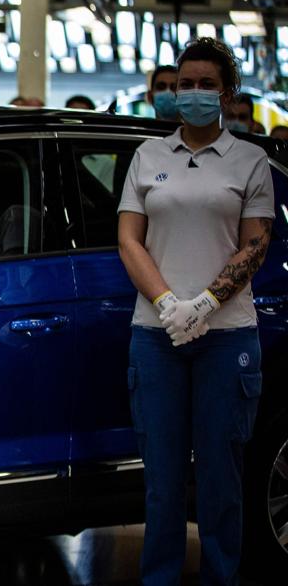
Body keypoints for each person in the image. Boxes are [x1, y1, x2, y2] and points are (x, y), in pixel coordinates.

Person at [117, 37, 272, 586]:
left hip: (227, 336)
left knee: (221, 480)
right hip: (156, 336)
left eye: (208, 84)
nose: (195, 93)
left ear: (228, 95)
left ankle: (221, 577)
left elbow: (255, 245)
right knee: (160, 482)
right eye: (186, 84)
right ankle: (158, 578)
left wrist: (205, 304)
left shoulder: (251, 160)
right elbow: (129, 240)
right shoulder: (147, 157)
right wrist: (167, 304)